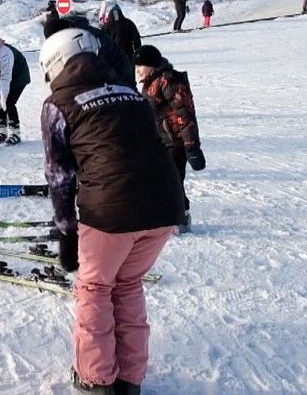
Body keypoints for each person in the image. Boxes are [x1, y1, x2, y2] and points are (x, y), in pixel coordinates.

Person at [38, 28, 185, 394]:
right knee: (127, 283)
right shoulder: (129, 93)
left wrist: (67, 233)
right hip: (166, 204)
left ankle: (96, 379)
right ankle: (129, 379)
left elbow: (59, 176)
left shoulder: (58, 103)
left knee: (95, 287)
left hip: (111, 212)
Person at [133, 45, 205, 234]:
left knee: (171, 180)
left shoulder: (169, 82)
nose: (137, 71)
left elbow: (186, 114)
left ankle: (180, 219)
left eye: (140, 66)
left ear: (151, 66)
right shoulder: (151, 83)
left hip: (176, 141)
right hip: (159, 141)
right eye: (135, 67)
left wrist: (192, 147)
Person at [43, 15, 135, 87]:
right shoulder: (72, 36)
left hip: (120, 74)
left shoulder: (87, 39)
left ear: (62, 34)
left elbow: (94, 68)